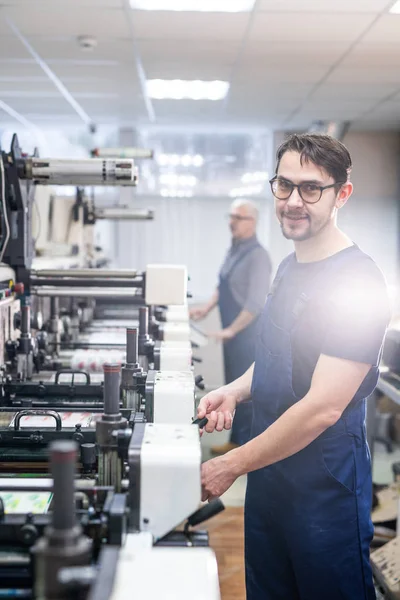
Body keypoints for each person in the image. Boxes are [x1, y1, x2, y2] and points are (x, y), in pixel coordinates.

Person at [197, 133, 391, 600]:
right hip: (270, 477)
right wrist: (237, 390)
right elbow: (275, 355)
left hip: (323, 488)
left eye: (311, 188)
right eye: (284, 185)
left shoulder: (357, 283)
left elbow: (324, 406)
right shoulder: (288, 267)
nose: (293, 201)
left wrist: (232, 463)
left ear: (342, 193)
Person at [190, 199, 271, 451]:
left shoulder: (258, 256)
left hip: (249, 335)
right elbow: (221, 283)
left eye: (238, 218)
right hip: (234, 335)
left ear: (253, 222)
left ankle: (242, 443)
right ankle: (236, 439)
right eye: (230, 216)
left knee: (244, 390)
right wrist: (206, 308)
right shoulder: (235, 249)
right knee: (232, 384)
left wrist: (231, 330)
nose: (231, 222)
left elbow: (255, 303)